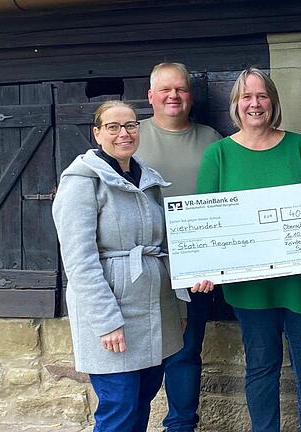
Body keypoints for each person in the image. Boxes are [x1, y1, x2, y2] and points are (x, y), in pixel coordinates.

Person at [195, 68, 301, 432]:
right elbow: (205, 219)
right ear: (236, 105)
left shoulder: (299, 147)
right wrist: (203, 266)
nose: (254, 104)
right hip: (250, 288)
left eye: (261, 96)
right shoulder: (219, 155)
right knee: (261, 367)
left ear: (273, 102)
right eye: (246, 97)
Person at [52, 100, 188, 431]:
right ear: (97, 133)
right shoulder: (82, 182)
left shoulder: (149, 181)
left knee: (142, 397)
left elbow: (165, 247)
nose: (123, 133)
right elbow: (79, 260)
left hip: (155, 314)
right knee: (119, 406)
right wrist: (106, 321)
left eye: (130, 125)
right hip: (114, 314)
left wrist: (179, 309)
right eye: (113, 127)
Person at [135, 62, 223, 432]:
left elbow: (228, 200)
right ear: (151, 96)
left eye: (182, 90)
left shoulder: (212, 139)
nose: (174, 96)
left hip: (196, 267)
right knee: (140, 359)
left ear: (191, 96)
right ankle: (131, 424)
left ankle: (181, 426)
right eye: (166, 90)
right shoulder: (132, 137)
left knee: (186, 353)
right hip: (145, 266)